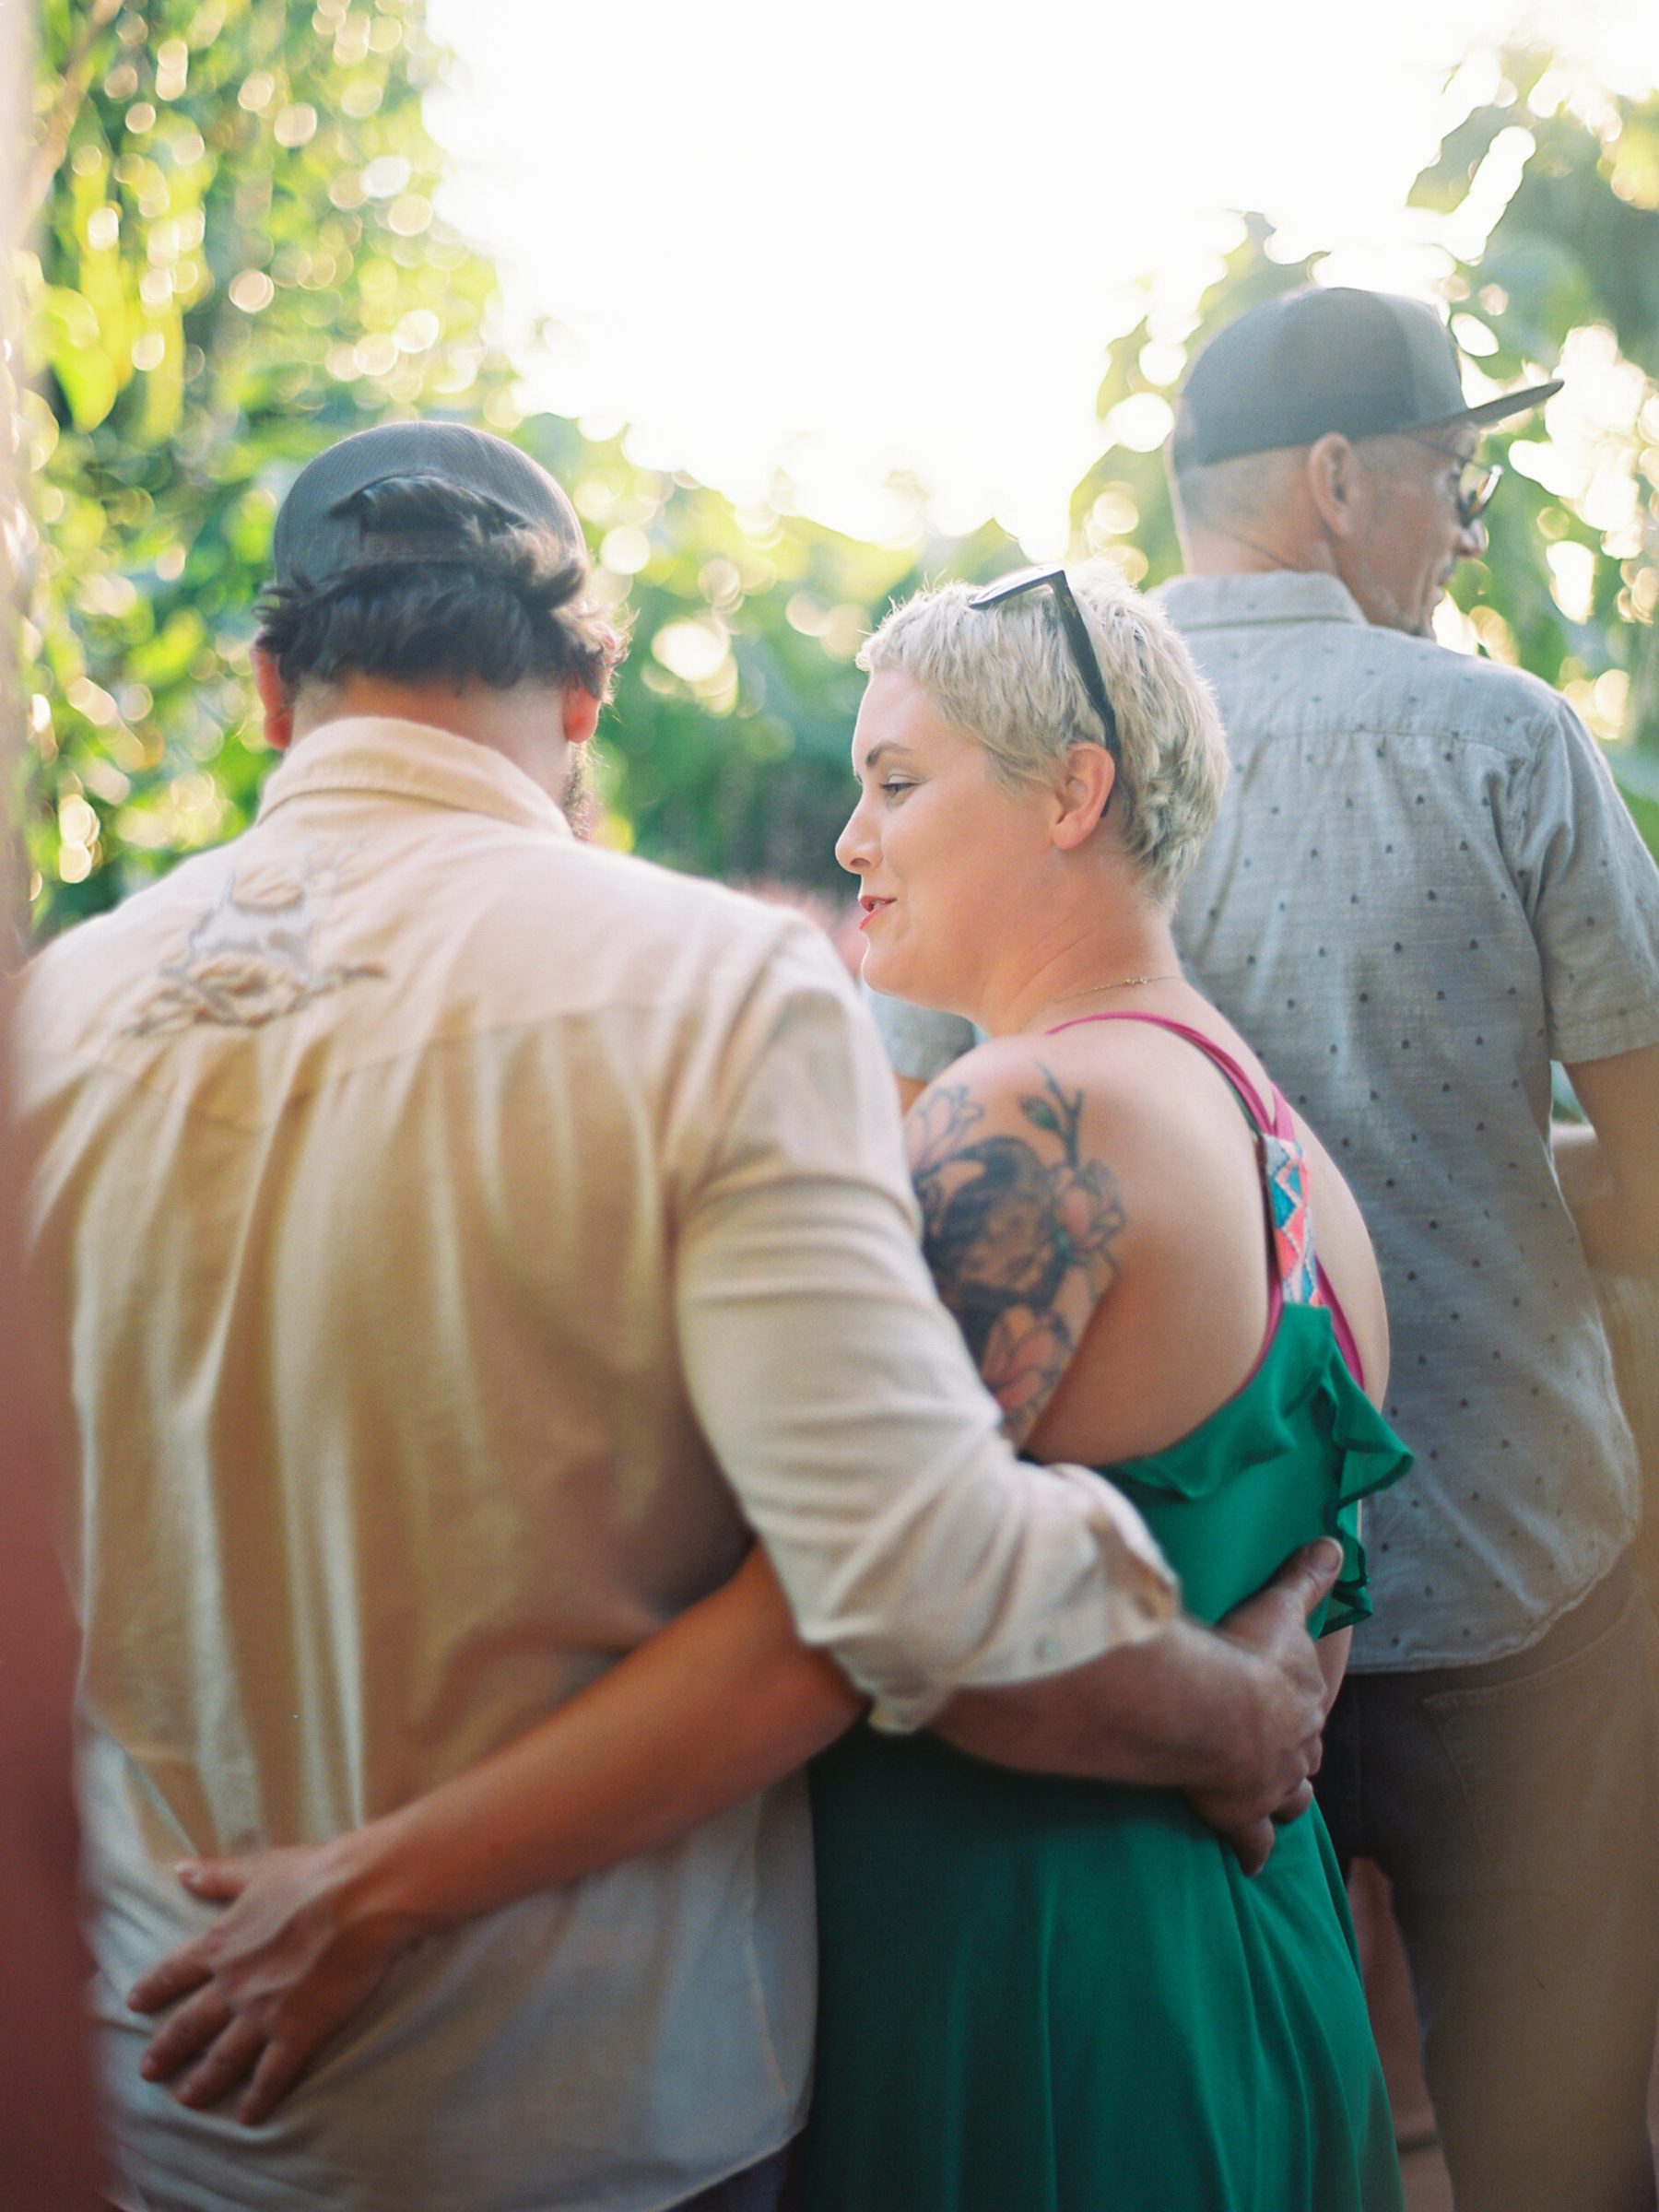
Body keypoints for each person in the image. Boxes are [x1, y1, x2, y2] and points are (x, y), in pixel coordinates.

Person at [16, 424, 1343, 2212]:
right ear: (583, 698)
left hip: (171, 2088)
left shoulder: (52, 1021)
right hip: (596, 2102)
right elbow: (909, 1569)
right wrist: (1239, 1715)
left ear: (268, 690)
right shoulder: (716, 994)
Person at [874, 287, 1659, 2212]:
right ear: (1334, 482)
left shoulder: (1020, 747)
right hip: (1509, 1581)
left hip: (1155, 1638)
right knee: (1552, 2141)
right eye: (1453, 485)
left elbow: (907, 1141)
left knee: (1234, 2088)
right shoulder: (1507, 737)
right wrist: (1492, 1159)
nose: (1466, 533)